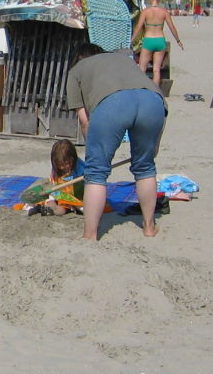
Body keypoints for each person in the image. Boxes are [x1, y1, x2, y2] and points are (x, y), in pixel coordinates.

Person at [64, 43, 166, 241]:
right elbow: (161, 108)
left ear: (78, 58)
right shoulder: (121, 59)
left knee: (96, 174)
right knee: (145, 168)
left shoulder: (76, 71)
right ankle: (149, 227)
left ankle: (90, 234)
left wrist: (94, 150)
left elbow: (85, 122)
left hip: (113, 105)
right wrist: (155, 146)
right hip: (153, 101)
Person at [131, 0, 184, 86]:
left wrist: (131, 40)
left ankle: (143, 90)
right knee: (156, 69)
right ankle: (156, 92)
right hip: (160, 40)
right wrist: (178, 40)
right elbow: (172, 27)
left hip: (149, 40)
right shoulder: (164, 12)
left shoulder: (146, 12)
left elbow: (138, 27)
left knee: (142, 69)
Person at [37, 139, 85, 215]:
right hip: (59, 193)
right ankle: (46, 208)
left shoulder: (80, 167)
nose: (64, 167)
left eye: (68, 163)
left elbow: (87, 181)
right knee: (51, 201)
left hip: (76, 196)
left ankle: (53, 209)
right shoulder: (56, 169)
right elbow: (53, 182)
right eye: (61, 165)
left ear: (73, 158)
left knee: (83, 210)